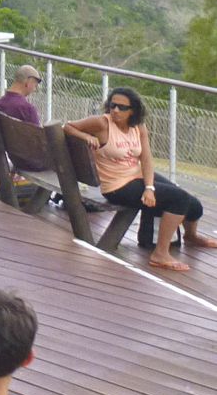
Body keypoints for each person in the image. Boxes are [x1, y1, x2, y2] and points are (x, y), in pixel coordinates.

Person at [65, 87, 217, 273]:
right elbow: (68, 126)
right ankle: (160, 254)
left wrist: (150, 187)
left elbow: (146, 159)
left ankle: (191, 236)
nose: (115, 111)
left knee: (194, 205)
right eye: (112, 105)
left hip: (137, 177)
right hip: (117, 186)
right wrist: (86, 136)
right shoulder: (102, 123)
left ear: (133, 111)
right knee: (179, 200)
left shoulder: (139, 126)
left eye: (122, 107)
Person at [0, 65, 46, 173]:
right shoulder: (27, 109)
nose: (34, 89)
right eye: (35, 85)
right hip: (33, 163)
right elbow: (39, 142)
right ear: (28, 82)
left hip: (15, 158)